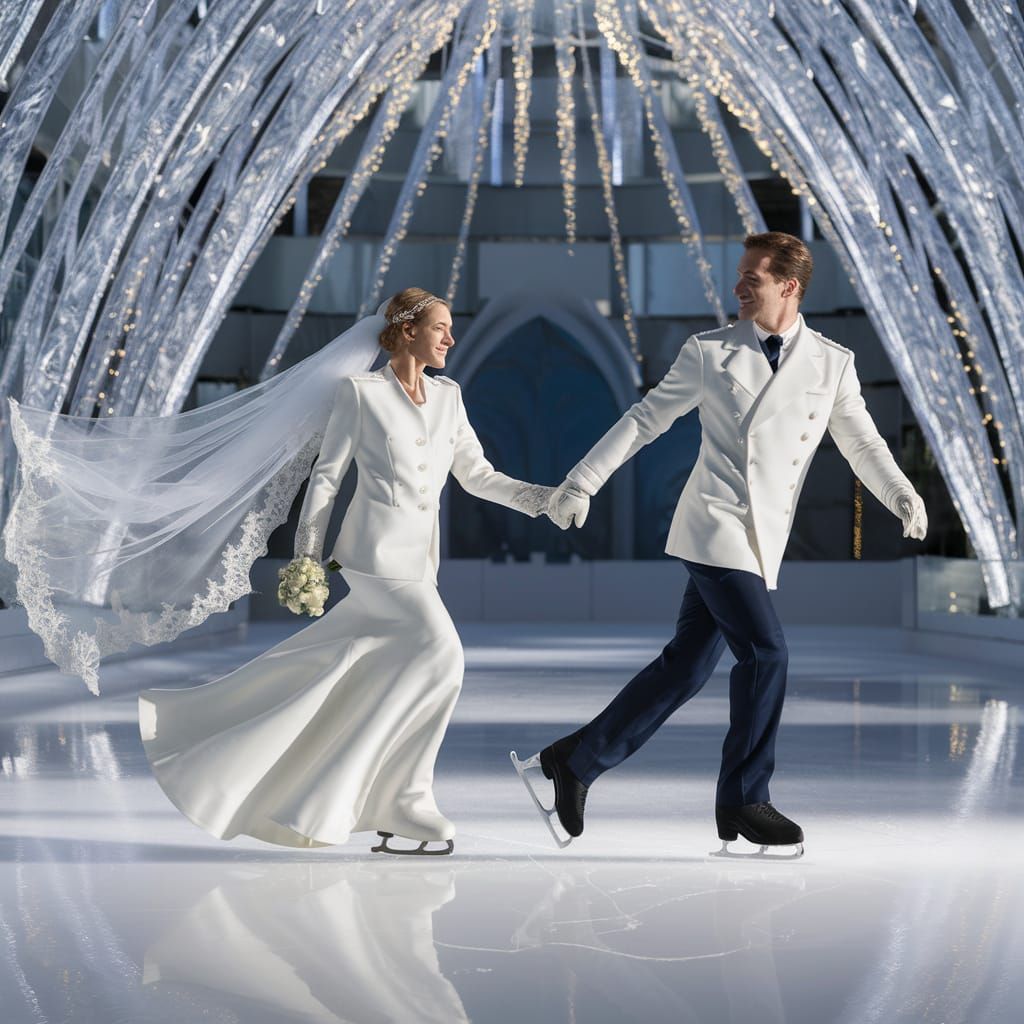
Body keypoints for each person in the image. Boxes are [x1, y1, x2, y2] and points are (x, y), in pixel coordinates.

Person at [515, 232, 928, 857]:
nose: (738, 287)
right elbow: (645, 418)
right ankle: (743, 798)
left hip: (762, 537)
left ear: (788, 287)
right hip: (714, 523)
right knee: (767, 655)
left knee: (686, 668)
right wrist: (582, 481)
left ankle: (574, 760)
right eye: (739, 275)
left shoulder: (831, 361)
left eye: (752, 279)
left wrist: (899, 492)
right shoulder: (709, 352)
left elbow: (861, 443)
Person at [139, 288, 556, 855]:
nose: (450, 339)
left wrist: (542, 500)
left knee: (377, 670)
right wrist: (307, 557)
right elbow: (326, 480)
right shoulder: (360, 394)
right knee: (443, 657)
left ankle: (335, 794)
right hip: (375, 559)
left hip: (421, 562)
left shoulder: (449, 398)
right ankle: (408, 798)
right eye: (440, 328)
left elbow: (479, 475)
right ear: (407, 331)